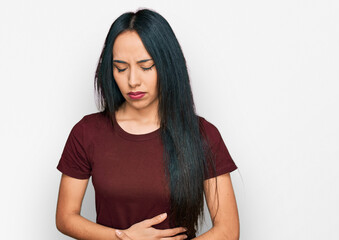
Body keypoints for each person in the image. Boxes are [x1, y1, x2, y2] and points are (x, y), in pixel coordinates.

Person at [55, 8, 240, 240]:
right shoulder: (86, 132)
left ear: (168, 65)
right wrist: (123, 237)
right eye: (121, 68)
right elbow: (65, 217)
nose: (133, 81)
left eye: (146, 66)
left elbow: (228, 230)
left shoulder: (203, 135)